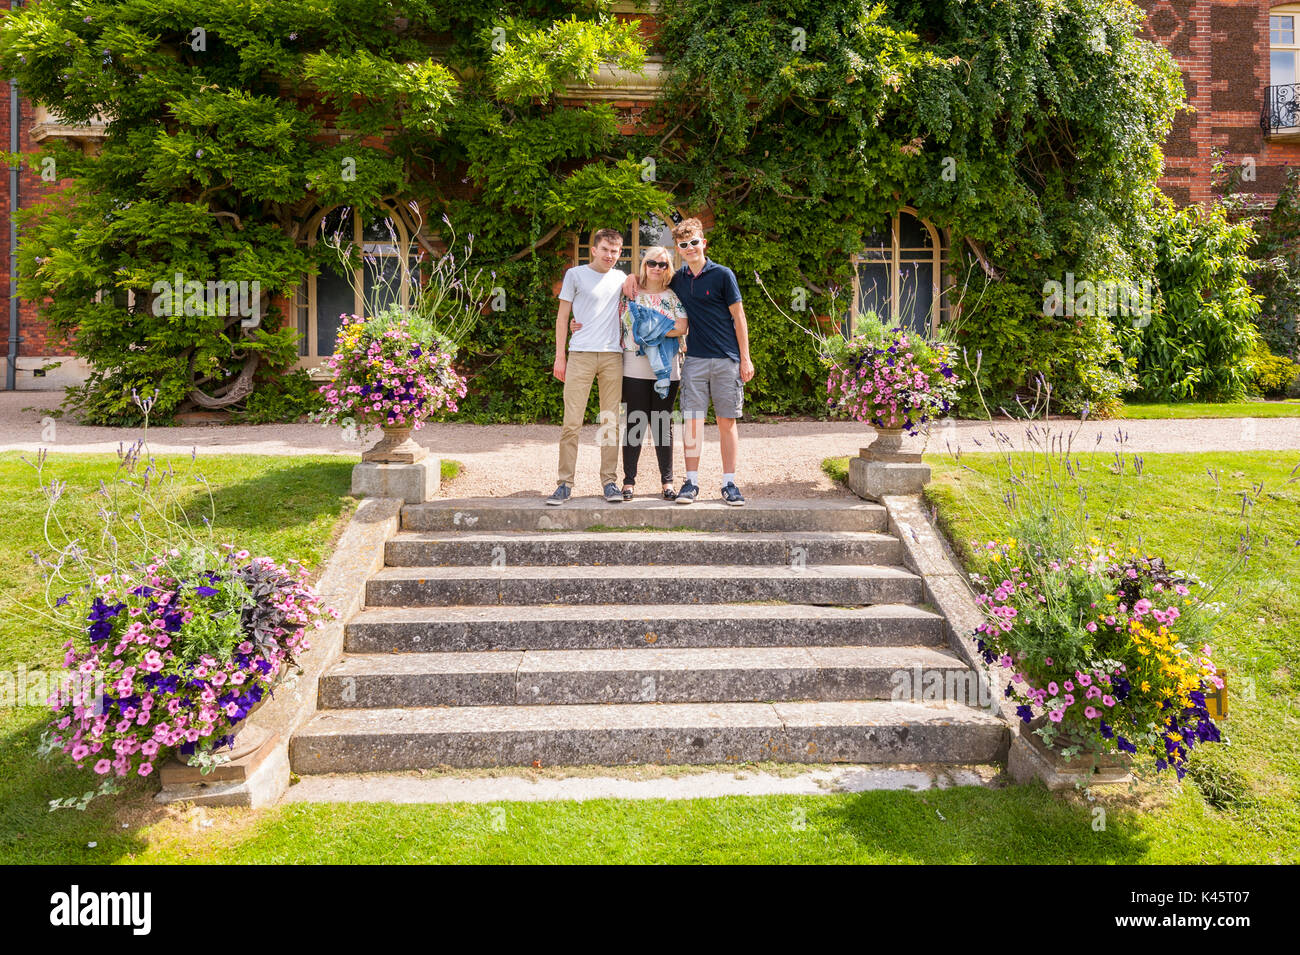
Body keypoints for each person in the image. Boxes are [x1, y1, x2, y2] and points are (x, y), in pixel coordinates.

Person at [623, 218, 754, 505]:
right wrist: (629, 278)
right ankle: (690, 483)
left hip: (726, 359)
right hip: (694, 359)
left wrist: (745, 358)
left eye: (694, 242)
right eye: (684, 245)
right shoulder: (678, 280)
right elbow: (651, 280)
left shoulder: (723, 275)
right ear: (679, 250)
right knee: (692, 423)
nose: (690, 247)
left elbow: (739, 317)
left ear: (703, 243)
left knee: (726, 421)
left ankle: (729, 483)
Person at [548, 228, 627, 505]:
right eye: (605, 249)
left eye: (615, 251)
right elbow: (562, 318)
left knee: (610, 422)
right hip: (579, 354)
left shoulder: (622, 279)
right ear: (594, 249)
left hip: (612, 357)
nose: (610, 255)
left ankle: (609, 482)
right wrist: (561, 356)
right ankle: (564, 484)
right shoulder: (575, 275)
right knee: (571, 422)